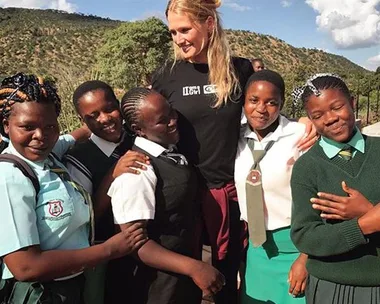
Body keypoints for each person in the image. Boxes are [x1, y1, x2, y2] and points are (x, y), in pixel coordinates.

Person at [152, 1, 316, 303]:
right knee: (188, 280)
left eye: (185, 29)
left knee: (231, 275)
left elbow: (265, 106)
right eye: (173, 32)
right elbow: (146, 120)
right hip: (184, 196)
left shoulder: (238, 69)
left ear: (210, 24)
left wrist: (307, 122)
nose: (179, 39)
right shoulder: (166, 74)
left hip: (234, 194)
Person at [0, 73, 147, 304]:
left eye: (50, 126)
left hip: (73, 285)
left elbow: (75, 135)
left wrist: (102, 123)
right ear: (6, 125)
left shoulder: (49, 155)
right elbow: (25, 267)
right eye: (27, 126)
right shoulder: (11, 176)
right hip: (41, 293)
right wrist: (109, 249)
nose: (40, 136)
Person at [107, 87, 225, 304]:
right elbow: (135, 242)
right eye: (163, 121)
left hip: (182, 279)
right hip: (157, 287)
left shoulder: (171, 152)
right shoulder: (137, 171)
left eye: (171, 112)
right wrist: (194, 267)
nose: (173, 121)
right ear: (138, 129)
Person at [290, 73, 380, 304]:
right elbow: (305, 236)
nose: (330, 119)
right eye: (317, 115)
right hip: (331, 288)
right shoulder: (307, 167)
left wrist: (366, 209)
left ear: (352, 102)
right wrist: (363, 224)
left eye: (337, 107)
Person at [64, 80, 149, 304]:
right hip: (110, 257)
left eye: (109, 108)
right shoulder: (79, 158)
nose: (105, 118)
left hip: (150, 248)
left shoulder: (140, 138)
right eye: (93, 116)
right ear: (83, 121)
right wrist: (113, 175)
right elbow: (87, 218)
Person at [235, 70, 307, 304]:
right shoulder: (234, 136)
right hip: (257, 251)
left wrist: (306, 258)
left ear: (282, 104)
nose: (261, 109)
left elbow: (319, 195)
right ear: (244, 101)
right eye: (253, 100)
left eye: (271, 102)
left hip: (295, 248)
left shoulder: (300, 135)